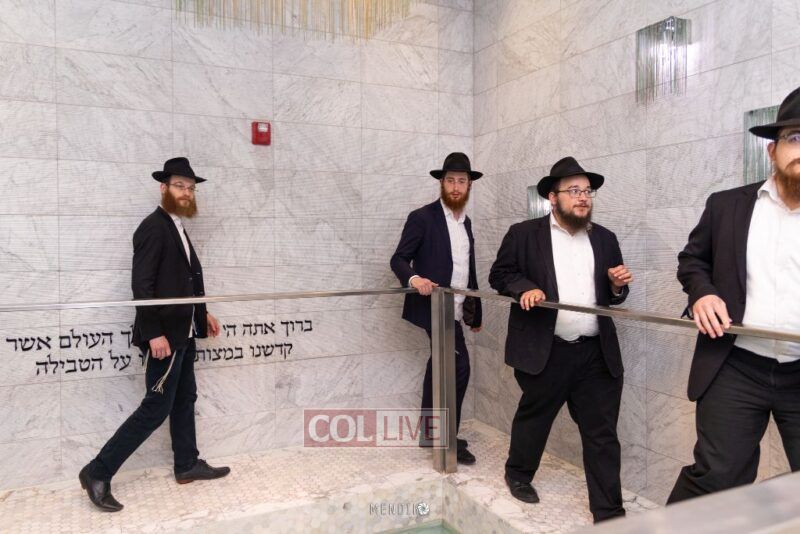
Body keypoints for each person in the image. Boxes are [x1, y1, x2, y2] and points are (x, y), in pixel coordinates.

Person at [668, 86, 800, 503]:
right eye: (795, 137)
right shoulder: (726, 206)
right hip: (736, 365)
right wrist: (702, 294)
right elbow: (692, 261)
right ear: (772, 150)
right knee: (715, 479)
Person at [79, 157, 230, 512]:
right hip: (165, 337)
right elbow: (142, 287)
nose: (186, 193)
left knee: (184, 398)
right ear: (163, 188)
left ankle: (186, 464)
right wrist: (153, 334)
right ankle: (97, 471)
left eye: (190, 188)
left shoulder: (177, 226)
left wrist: (201, 313)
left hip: (184, 332)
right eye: (179, 186)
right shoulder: (153, 227)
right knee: (155, 407)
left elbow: (183, 281)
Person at [489, 156, 633, 523]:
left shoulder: (605, 238)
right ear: (552, 198)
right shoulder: (523, 234)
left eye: (587, 191)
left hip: (596, 353)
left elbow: (614, 295)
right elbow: (500, 274)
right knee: (535, 418)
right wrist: (525, 287)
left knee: (602, 434)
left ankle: (609, 512)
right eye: (573, 190)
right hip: (546, 349)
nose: (583, 197)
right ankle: (518, 474)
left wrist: (617, 286)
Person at [390, 152, 483, 464]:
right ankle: (446, 439)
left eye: (462, 181)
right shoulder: (422, 217)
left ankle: (432, 433)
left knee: (440, 365)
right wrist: (414, 279)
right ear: (442, 183)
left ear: (469, 186)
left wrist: (476, 312)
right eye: (451, 181)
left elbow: (468, 269)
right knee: (459, 366)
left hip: (456, 309)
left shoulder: (466, 222)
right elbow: (398, 259)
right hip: (434, 307)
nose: (456, 187)